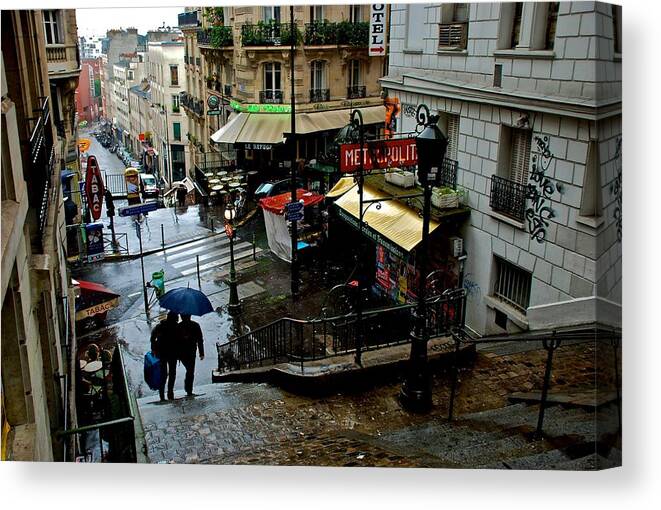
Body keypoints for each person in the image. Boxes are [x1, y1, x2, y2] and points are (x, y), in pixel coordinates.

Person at [150, 311, 179, 401]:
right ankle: (170, 392)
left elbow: (152, 338)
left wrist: (154, 348)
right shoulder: (176, 327)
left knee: (163, 373)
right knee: (172, 373)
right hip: (172, 353)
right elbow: (180, 341)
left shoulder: (160, 326)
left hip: (161, 352)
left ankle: (162, 394)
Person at [177, 314, 204, 397]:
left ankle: (188, 388)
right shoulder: (195, 325)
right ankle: (189, 389)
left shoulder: (178, 326)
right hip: (191, 351)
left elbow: (175, 340)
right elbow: (200, 340)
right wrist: (201, 352)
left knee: (189, 369)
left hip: (181, 352)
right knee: (190, 370)